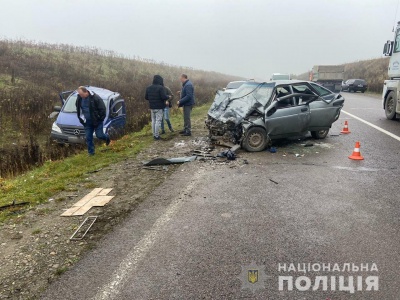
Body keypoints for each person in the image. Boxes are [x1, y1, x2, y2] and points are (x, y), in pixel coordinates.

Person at [75, 86, 110, 155]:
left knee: (99, 135)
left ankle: (107, 138)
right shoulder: (79, 98)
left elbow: (102, 109)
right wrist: (81, 118)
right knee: (88, 137)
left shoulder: (95, 98)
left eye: (81, 94)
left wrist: (100, 118)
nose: (81, 96)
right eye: (79, 94)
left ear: (86, 92)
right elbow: (78, 108)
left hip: (97, 121)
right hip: (87, 122)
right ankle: (91, 153)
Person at [145, 75, 170, 140]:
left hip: (152, 107)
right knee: (158, 121)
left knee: (153, 120)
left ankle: (154, 134)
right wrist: (168, 97)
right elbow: (163, 97)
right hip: (159, 107)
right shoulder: (160, 87)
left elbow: (146, 97)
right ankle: (156, 136)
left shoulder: (148, 87)